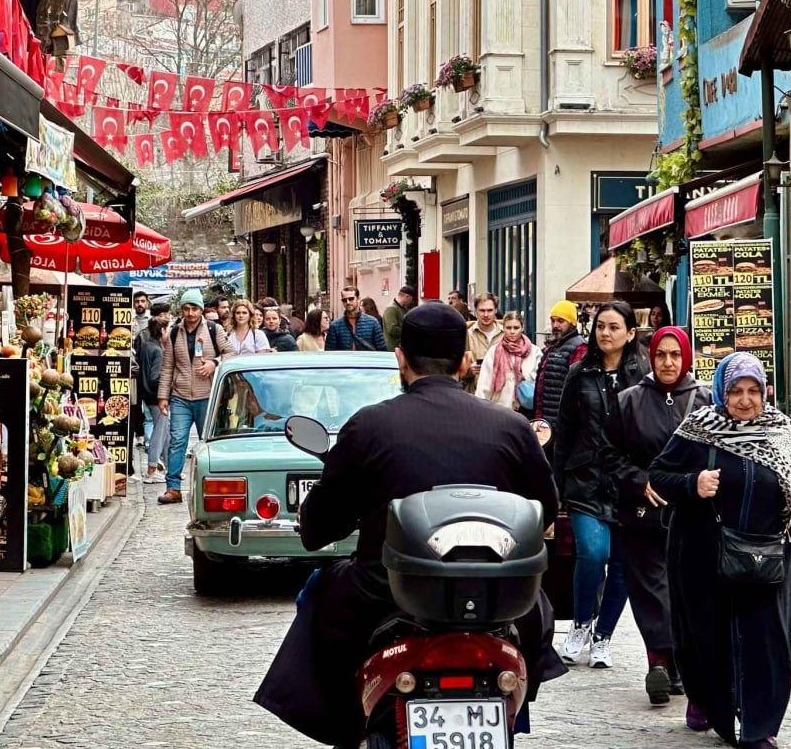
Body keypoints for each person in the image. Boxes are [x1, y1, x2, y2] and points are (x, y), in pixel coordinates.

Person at [254, 304, 563, 748]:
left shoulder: (370, 425)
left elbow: (319, 528)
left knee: (319, 595)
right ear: (465, 362)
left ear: (401, 358)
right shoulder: (512, 427)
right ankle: (516, 705)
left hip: (387, 592)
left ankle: (345, 723)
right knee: (539, 611)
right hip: (497, 598)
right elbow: (545, 509)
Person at [650, 353, 791, 747]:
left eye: (753, 391)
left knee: (765, 641)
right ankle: (708, 701)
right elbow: (659, 475)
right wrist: (692, 483)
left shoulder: (781, 431)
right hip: (702, 552)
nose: (745, 400)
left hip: (765, 555)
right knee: (706, 640)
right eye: (736, 391)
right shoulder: (700, 428)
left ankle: (758, 728)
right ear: (721, 393)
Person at [601, 325, 710, 706]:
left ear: (686, 358)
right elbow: (609, 454)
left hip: (691, 512)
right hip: (641, 513)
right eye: (661, 355)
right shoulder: (630, 400)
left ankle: (679, 662)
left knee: (685, 587)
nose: (667, 362)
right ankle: (659, 661)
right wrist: (638, 479)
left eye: (675, 355)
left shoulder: (704, 401)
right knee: (648, 588)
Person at [552, 301, 648, 669]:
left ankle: (603, 636)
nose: (604, 333)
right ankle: (579, 625)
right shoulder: (580, 373)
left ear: (629, 333)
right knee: (593, 553)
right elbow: (565, 430)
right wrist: (557, 486)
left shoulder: (642, 375)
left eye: (613, 327)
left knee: (623, 564)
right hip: (584, 479)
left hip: (627, 482)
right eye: (600, 327)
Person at [158, 289, 238, 505]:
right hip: (180, 395)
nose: (190, 313)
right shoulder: (174, 333)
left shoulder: (214, 329)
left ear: (201, 309)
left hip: (207, 396)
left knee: (208, 443)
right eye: (186, 308)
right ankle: (173, 487)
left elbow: (231, 353)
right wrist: (163, 396)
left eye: (194, 308)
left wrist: (215, 363)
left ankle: (211, 486)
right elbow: (167, 367)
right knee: (177, 441)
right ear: (181, 310)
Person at [534, 299, 588, 430]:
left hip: (562, 424)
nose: (555, 325)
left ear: (572, 323)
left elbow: (577, 389)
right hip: (545, 421)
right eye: (553, 320)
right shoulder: (553, 346)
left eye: (560, 321)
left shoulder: (579, 348)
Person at [475, 311, 543, 410]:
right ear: (503, 328)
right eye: (508, 328)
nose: (512, 331)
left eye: (516, 328)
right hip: (500, 408)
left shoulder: (534, 351)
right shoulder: (494, 352)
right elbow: (484, 383)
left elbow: (540, 382)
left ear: (522, 328)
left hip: (526, 407)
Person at [136, 303, 172, 483]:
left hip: (146, 394)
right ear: (162, 331)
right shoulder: (158, 350)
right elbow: (154, 377)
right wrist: (167, 389)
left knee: (165, 432)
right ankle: (151, 469)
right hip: (157, 396)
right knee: (159, 432)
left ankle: (170, 468)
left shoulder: (147, 345)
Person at [464, 293, 505, 395]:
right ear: (476, 311)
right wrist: (470, 371)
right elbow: (455, 370)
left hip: (501, 395)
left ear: (495, 310)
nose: (486, 315)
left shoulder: (506, 333)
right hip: (474, 394)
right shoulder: (467, 335)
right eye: (482, 310)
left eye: (490, 310)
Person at [325, 286, 386, 351]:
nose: (348, 302)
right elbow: (330, 352)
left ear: (358, 299)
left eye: (351, 299)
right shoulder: (335, 326)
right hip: (344, 360)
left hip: (366, 360)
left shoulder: (373, 323)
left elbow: (382, 349)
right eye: (344, 300)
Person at [381, 285, 417, 350]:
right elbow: (392, 329)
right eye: (411, 299)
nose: (411, 301)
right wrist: (409, 330)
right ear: (407, 296)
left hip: (400, 346)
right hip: (393, 347)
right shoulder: (391, 309)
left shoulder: (403, 308)